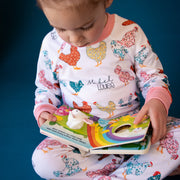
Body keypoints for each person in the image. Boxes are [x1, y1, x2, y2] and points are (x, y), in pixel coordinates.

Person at [32, 0, 180, 179]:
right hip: (81, 138)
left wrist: (157, 101)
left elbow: (153, 76)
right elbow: (45, 88)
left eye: (86, 26)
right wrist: (43, 110)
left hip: (132, 130)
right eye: (61, 29)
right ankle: (134, 170)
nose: (75, 39)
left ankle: (121, 169)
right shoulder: (51, 44)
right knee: (43, 160)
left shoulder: (129, 32)